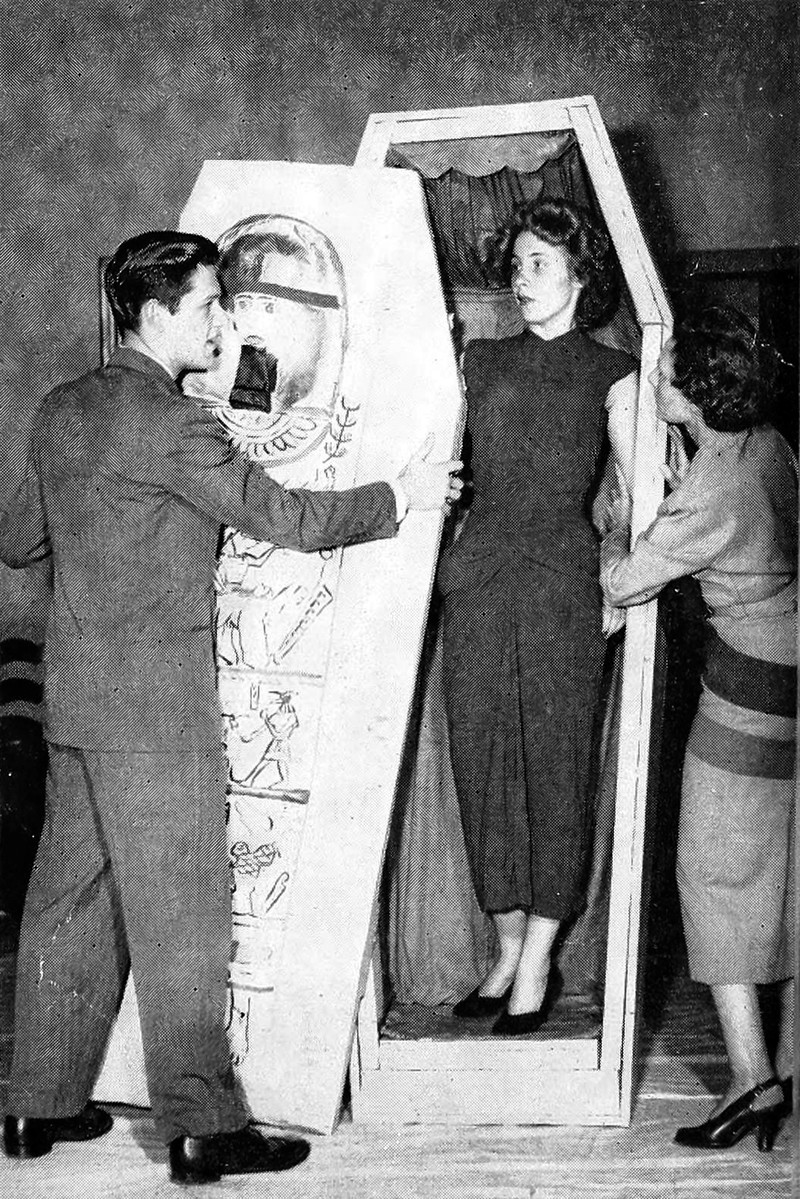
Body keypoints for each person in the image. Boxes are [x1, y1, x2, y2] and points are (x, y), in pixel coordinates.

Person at [0, 230, 462, 1184]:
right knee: (184, 924)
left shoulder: (62, 408)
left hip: (76, 704)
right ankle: (204, 1127)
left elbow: (17, 543)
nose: (224, 320)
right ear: (157, 313)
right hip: (156, 719)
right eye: (210, 304)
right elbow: (290, 519)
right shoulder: (175, 425)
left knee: (65, 903)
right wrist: (403, 493)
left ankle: (35, 1106)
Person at [439, 197, 638, 1035]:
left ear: (580, 275)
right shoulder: (479, 360)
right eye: (517, 264)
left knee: (557, 769)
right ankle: (507, 945)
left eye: (541, 265)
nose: (522, 279)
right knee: (482, 763)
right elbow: (439, 462)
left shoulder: (614, 373)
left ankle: (540, 960)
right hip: (479, 580)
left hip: (561, 587)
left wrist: (618, 576)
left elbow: (639, 497)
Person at [601, 305, 795, 1151]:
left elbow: (626, 581)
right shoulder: (769, 446)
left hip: (747, 697)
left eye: (668, 371)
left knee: (713, 875)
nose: (656, 376)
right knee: (782, 877)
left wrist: (616, 524)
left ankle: (753, 1082)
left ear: (695, 397)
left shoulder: (714, 490)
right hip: (791, 682)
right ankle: (785, 1066)